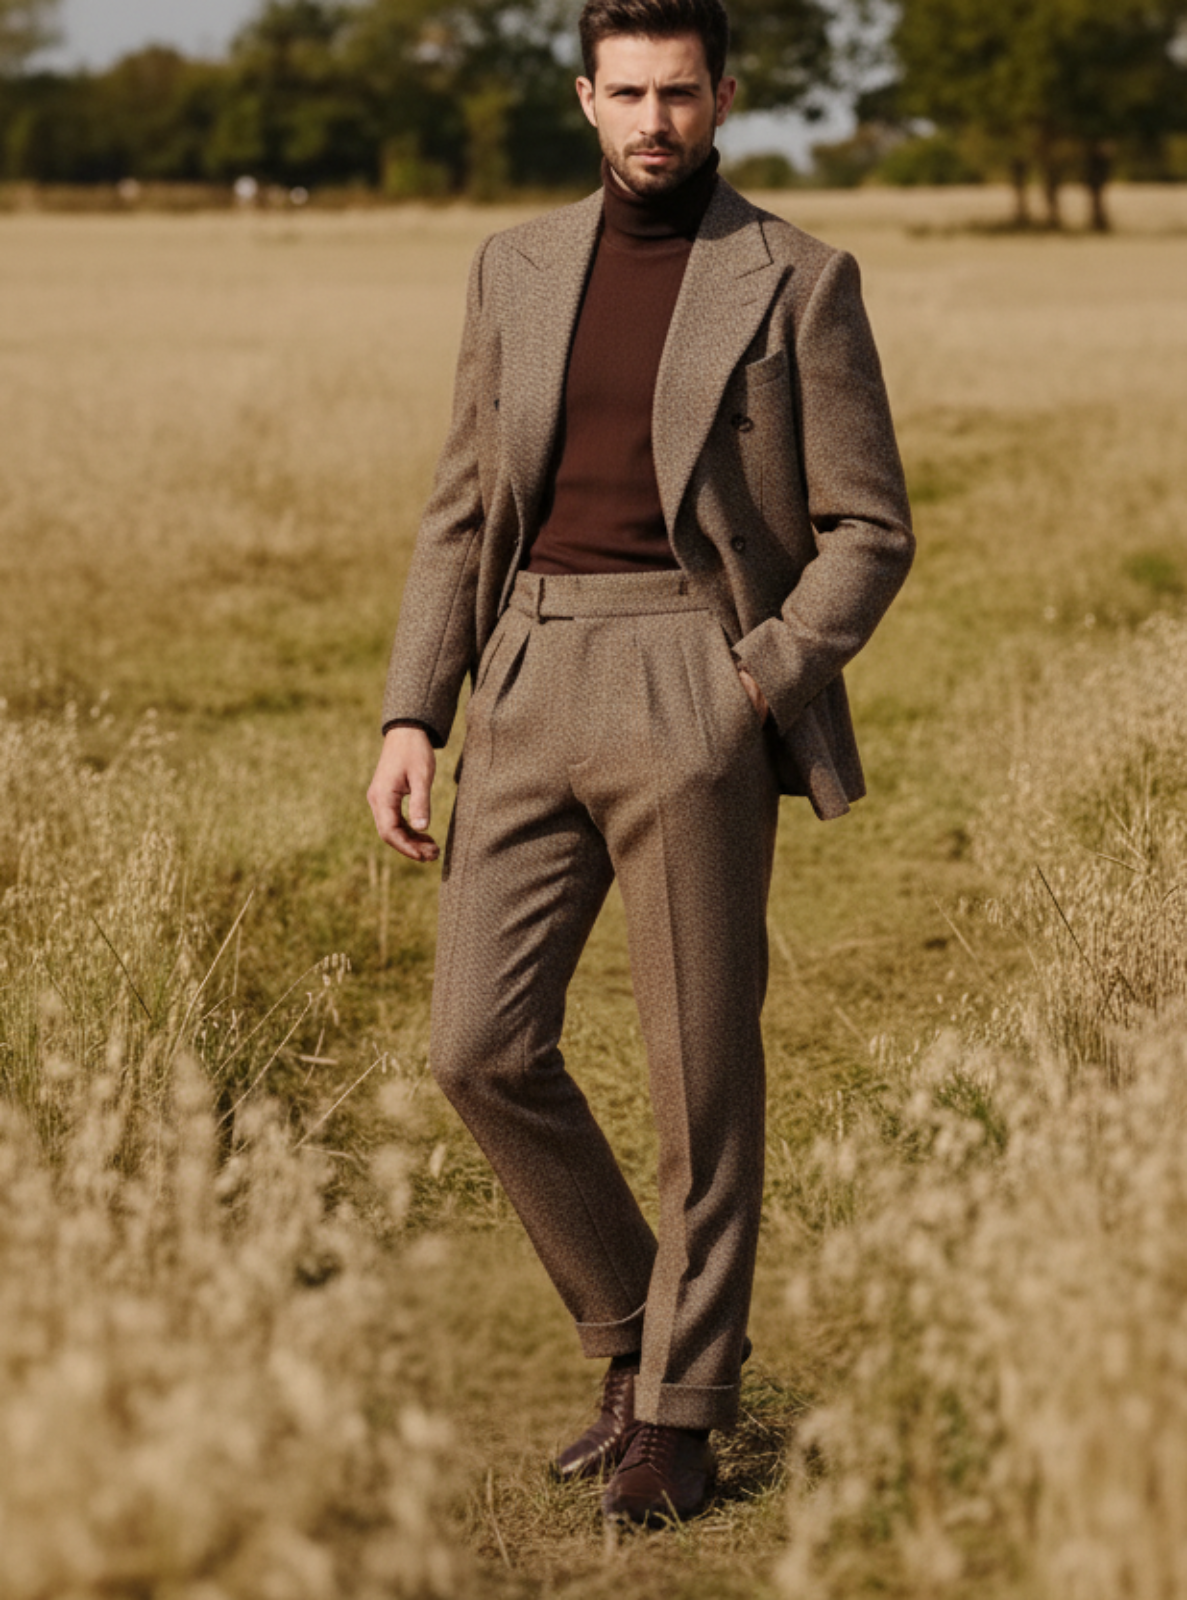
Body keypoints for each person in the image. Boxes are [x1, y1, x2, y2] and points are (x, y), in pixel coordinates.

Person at [367, 0, 913, 1528]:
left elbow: (868, 527)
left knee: (699, 1075)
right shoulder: (515, 266)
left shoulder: (798, 279)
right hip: (527, 673)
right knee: (476, 1045)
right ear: (585, 98)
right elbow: (463, 504)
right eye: (627, 92)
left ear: (723, 94)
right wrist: (414, 711)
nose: (654, 120)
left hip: (695, 674)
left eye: (680, 92)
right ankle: (628, 1330)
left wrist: (756, 680)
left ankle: (681, 1410)